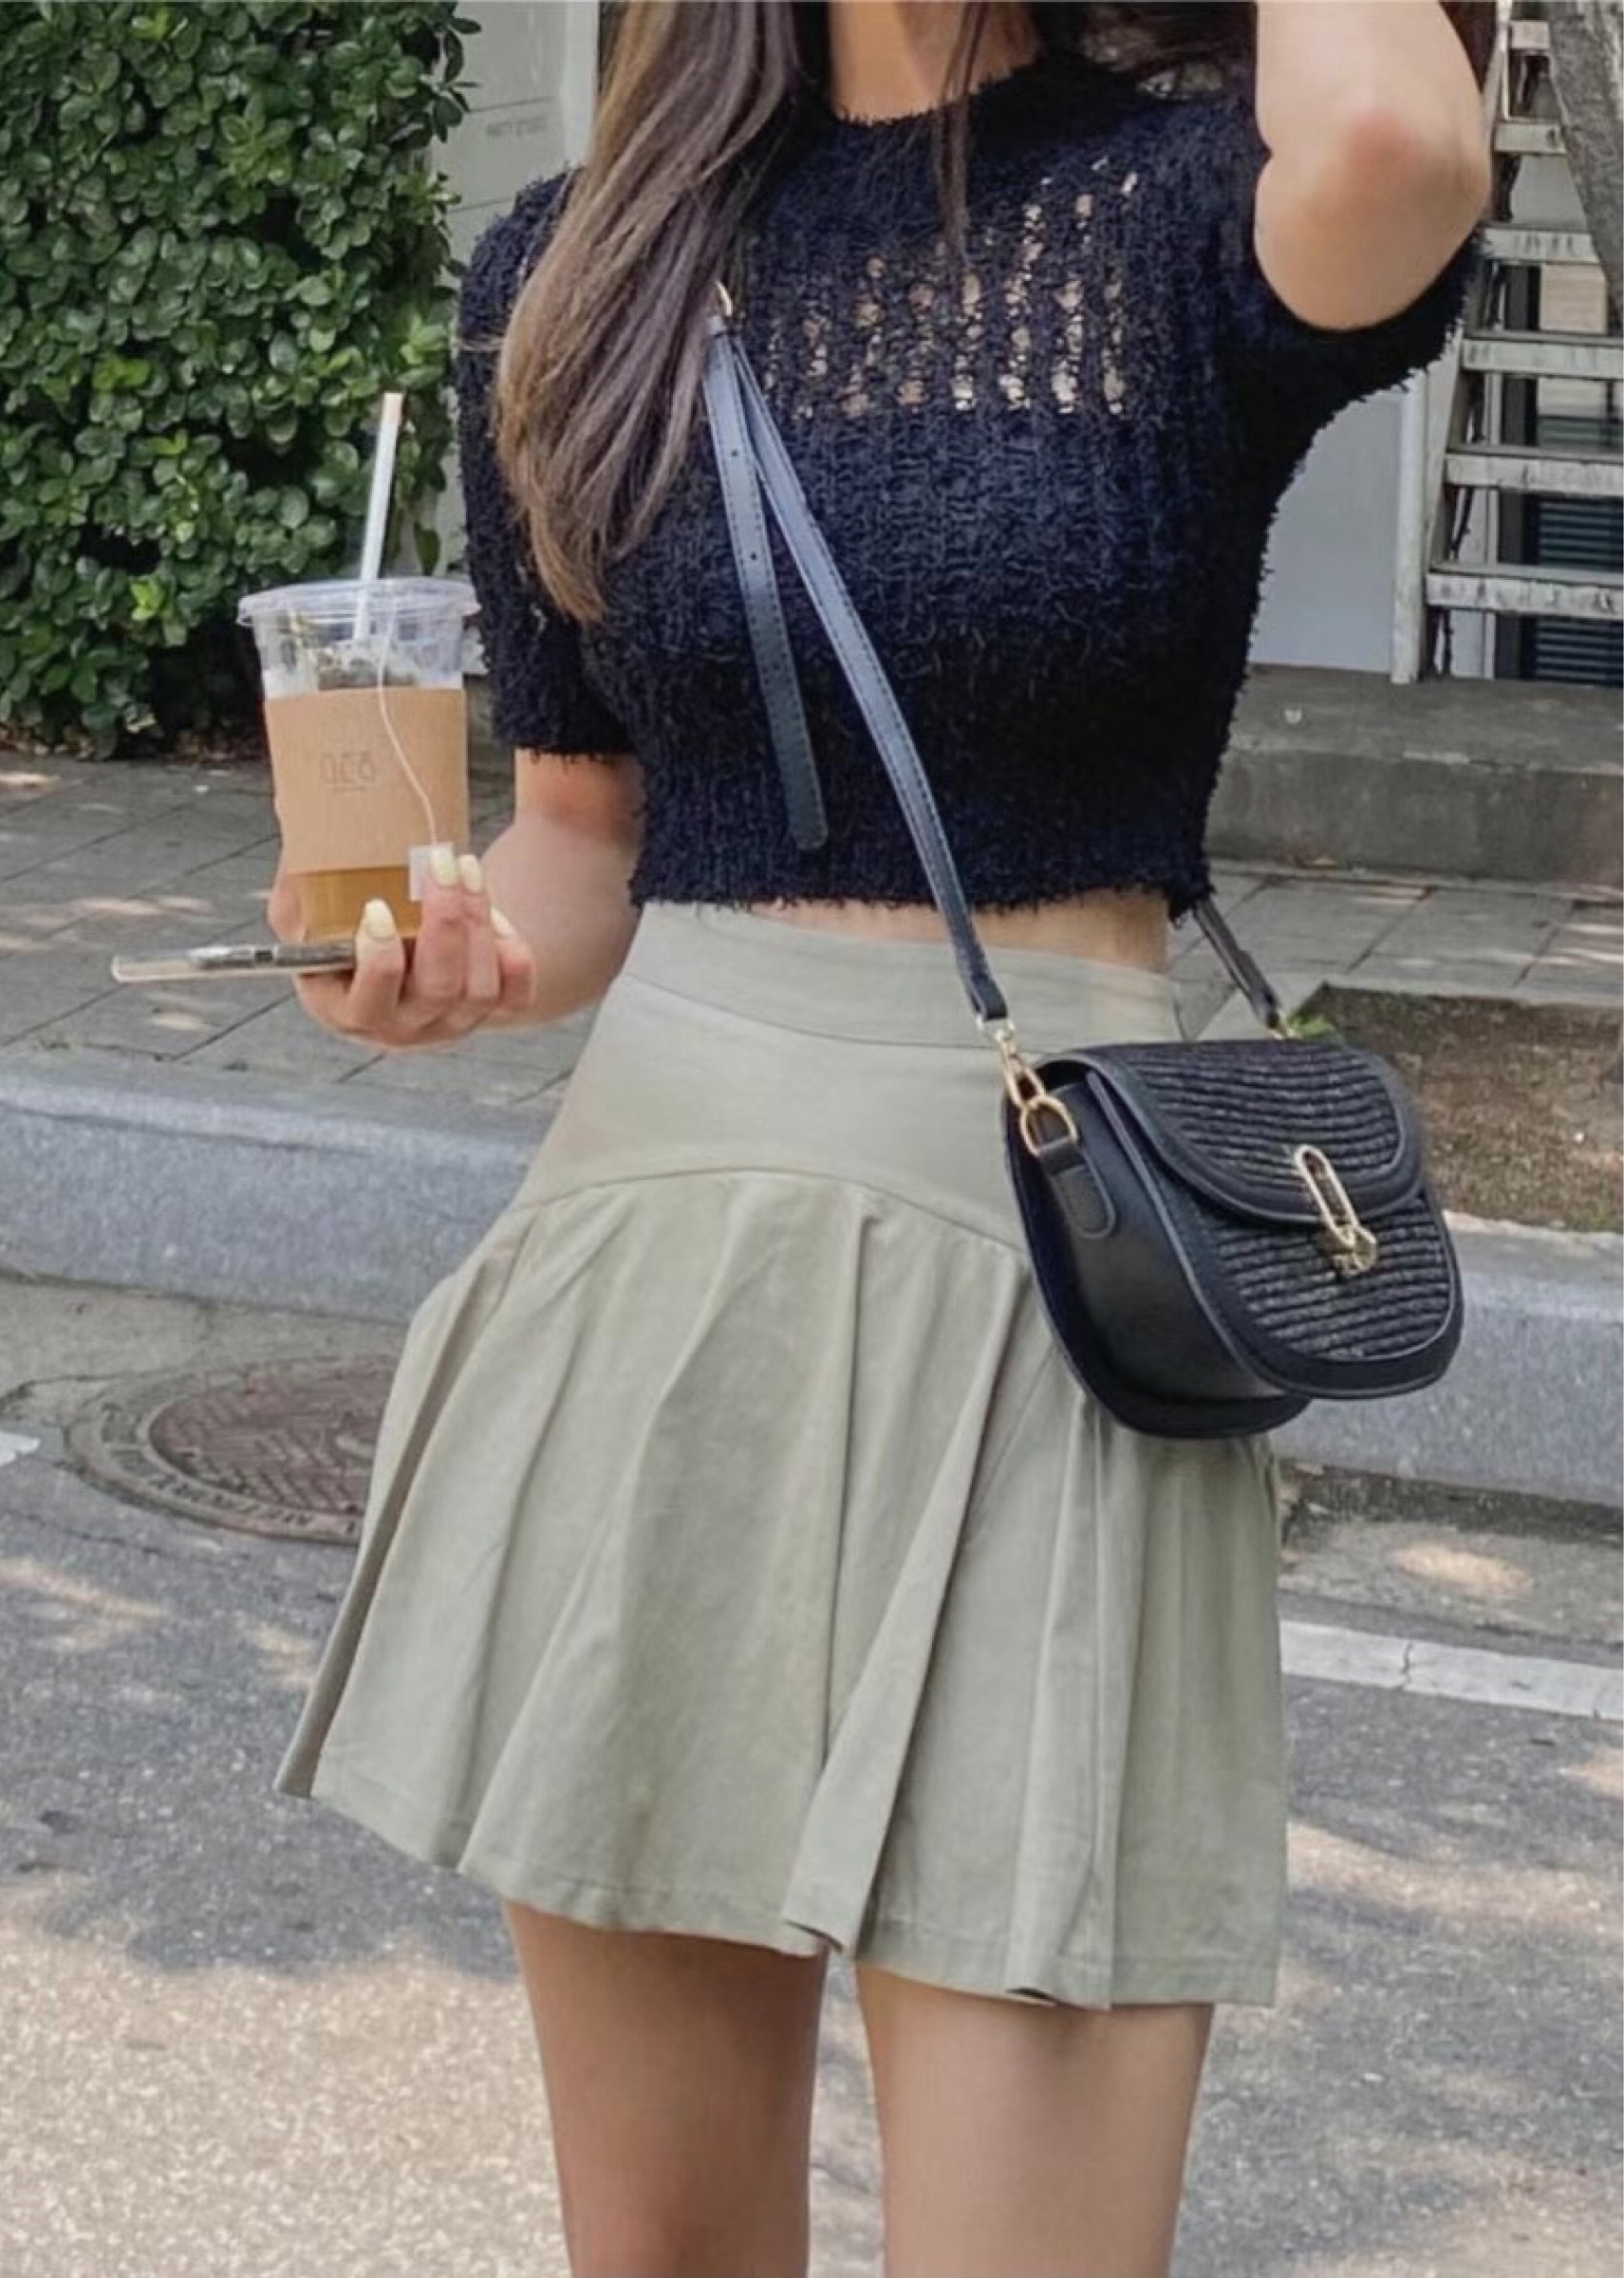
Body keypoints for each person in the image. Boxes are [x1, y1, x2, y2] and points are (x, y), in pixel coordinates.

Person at [271, 4, 1493, 2270]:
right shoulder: (575, 262)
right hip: (660, 1274)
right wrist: (441, 961)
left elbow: (1401, 137)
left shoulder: (1170, 203)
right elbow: (580, 841)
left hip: (1047, 1293)